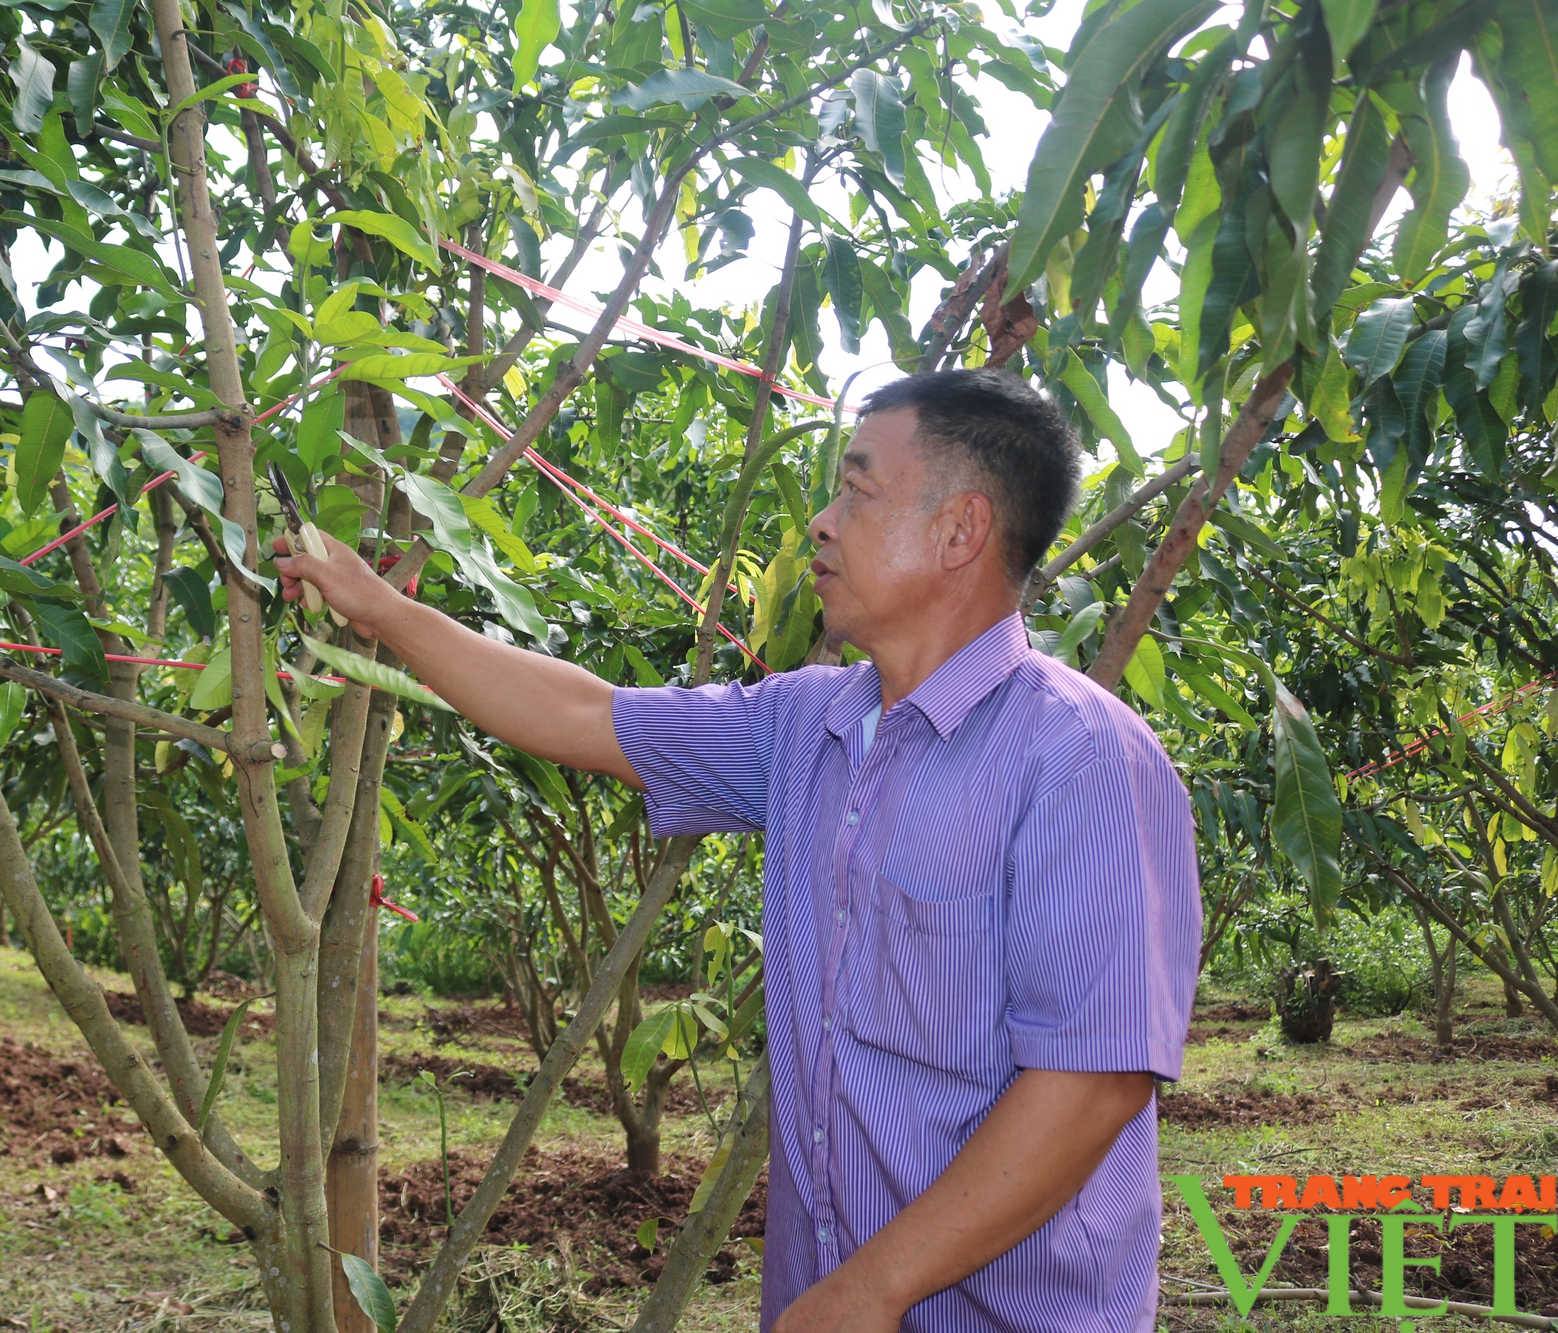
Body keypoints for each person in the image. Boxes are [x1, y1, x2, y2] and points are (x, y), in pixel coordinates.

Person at [276, 368, 1200, 1333]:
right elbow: (587, 712)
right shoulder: (807, 725)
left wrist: (874, 1287)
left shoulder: (1085, 759)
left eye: (858, 488)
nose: (823, 522)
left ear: (960, 529)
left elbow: (1093, 1083)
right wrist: (376, 608)